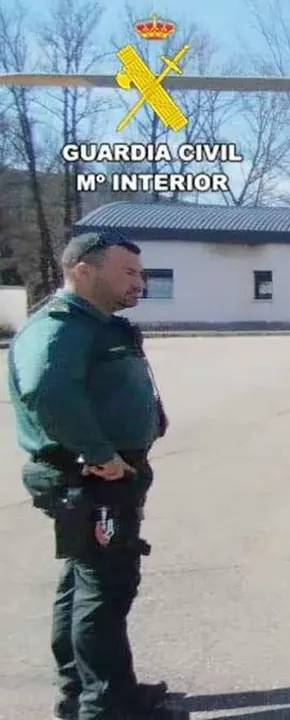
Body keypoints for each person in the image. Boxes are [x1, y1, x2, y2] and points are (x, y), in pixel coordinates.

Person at [8, 231, 172, 719]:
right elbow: (46, 391)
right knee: (104, 592)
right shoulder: (60, 326)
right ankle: (108, 707)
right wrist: (101, 454)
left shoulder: (98, 324)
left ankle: (83, 690)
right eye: (129, 272)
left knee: (82, 585)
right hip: (91, 477)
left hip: (101, 473)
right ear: (84, 270)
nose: (139, 283)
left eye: (141, 274)